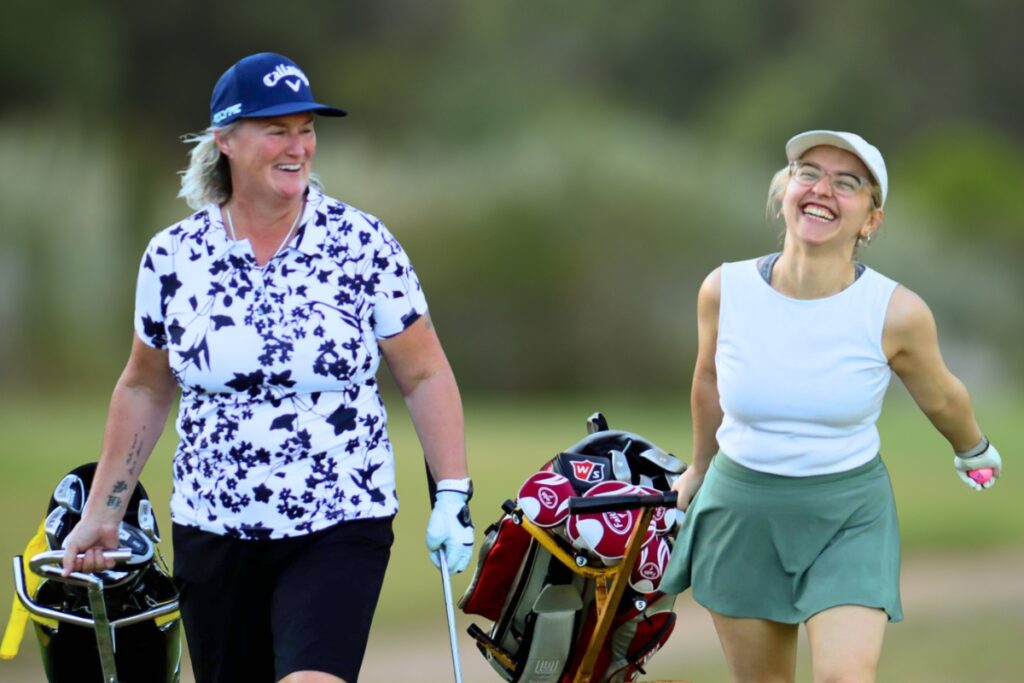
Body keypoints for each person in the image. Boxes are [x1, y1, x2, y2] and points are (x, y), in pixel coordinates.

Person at [60, 52, 474, 683]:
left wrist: (452, 493)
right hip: (213, 526)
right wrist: (104, 510)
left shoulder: (362, 244)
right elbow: (145, 384)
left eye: (306, 129)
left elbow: (425, 374)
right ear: (224, 140)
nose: (298, 146)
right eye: (276, 129)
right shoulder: (174, 257)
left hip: (340, 515)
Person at [662, 130, 1003, 683]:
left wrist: (973, 448)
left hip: (848, 515)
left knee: (845, 677)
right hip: (740, 510)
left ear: (871, 219)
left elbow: (941, 394)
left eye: (847, 183)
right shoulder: (724, 289)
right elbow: (707, 381)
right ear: (785, 192)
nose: (823, 189)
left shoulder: (896, 312)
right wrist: (699, 466)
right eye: (809, 173)